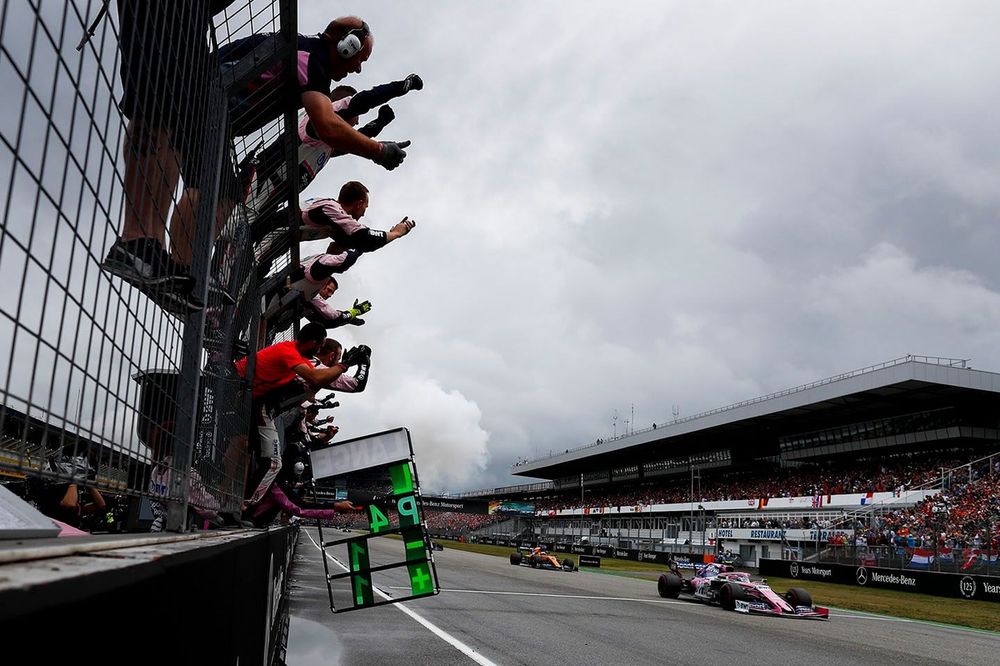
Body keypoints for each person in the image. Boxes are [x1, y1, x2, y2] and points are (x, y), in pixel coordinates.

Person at [101, 1, 239, 314]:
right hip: (168, 12)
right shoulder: (309, 62)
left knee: (172, 115)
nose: (357, 68)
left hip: (191, 20)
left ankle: (157, 250)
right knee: (157, 99)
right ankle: (137, 241)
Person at [248, 74, 423, 217]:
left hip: (261, 206)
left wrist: (378, 125)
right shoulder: (321, 118)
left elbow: (349, 143)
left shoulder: (325, 141)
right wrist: (403, 86)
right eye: (355, 120)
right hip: (251, 192)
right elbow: (362, 101)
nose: (355, 124)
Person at [234, 323, 351, 506]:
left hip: (250, 400)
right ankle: (243, 505)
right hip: (244, 395)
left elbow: (317, 378)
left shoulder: (301, 358)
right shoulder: (288, 352)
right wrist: (344, 365)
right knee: (273, 462)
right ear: (312, 342)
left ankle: (237, 502)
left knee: (252, 454)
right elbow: (316, 377)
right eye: (319, 345)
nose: (319, 350)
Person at [304, 278, 371, 330]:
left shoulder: (311, 300)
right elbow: (332, 315)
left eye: (332, 293)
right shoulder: (312, 292)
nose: (330, 295)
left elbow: (324, 323)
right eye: (329, 290)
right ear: (321, 285)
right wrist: (352, 313)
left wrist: (349, 319)